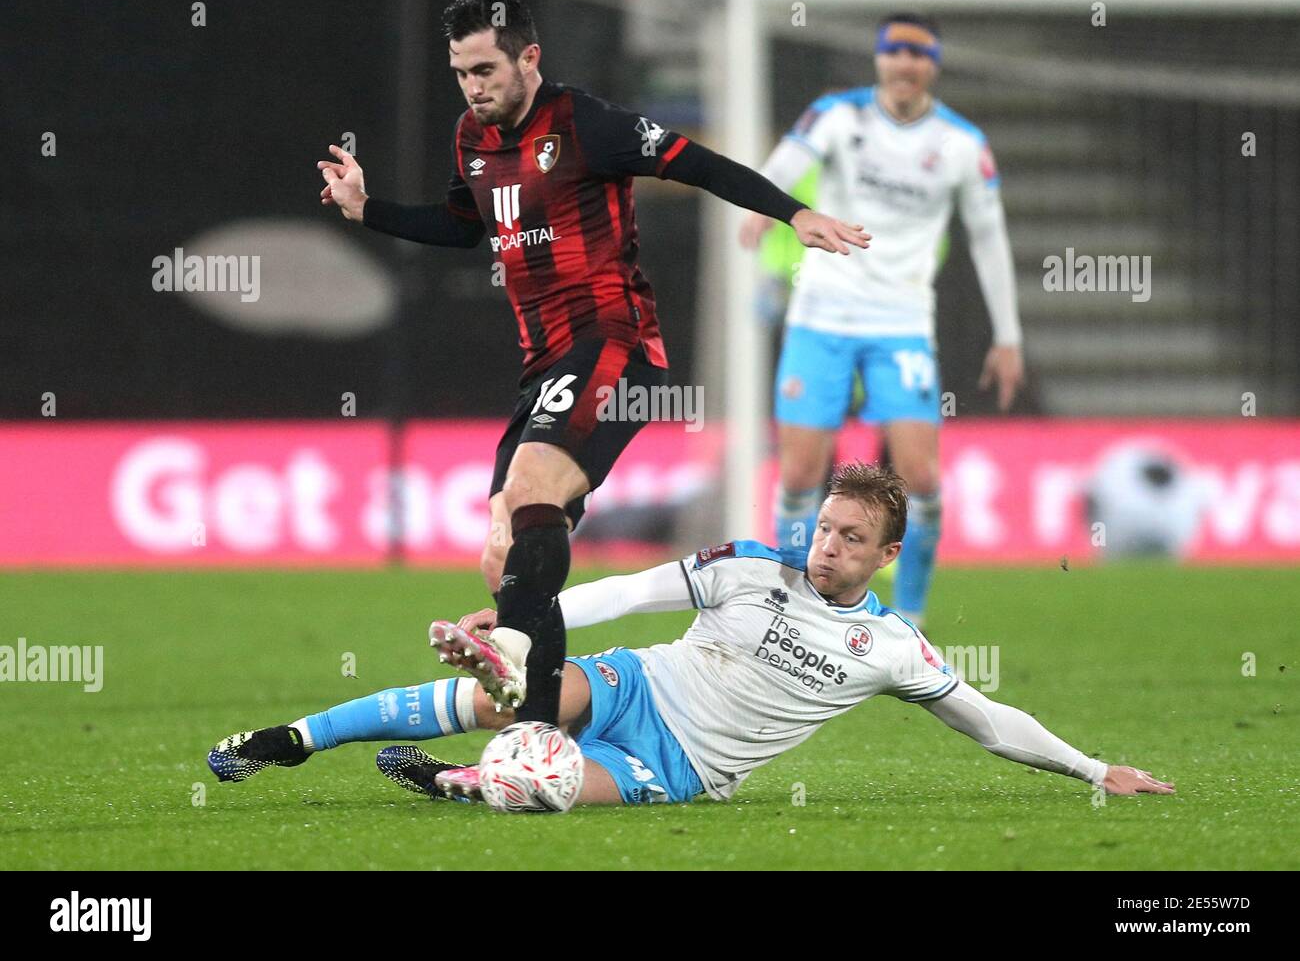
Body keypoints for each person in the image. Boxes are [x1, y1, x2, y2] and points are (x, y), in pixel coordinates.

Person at [317, 0, 869, 727]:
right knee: (503, 553)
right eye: (460, 72)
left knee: (532, 484)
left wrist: (793, 213)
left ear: (529, 58)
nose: (473, 86)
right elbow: (459, 226)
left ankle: (512, 650)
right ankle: (540, 735)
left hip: (614, 341)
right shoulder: (472, 140)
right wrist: (366, 209)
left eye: (485, 68)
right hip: (543, 363)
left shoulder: (589, 125)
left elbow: (696, 163)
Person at [207, 462, 1173, 807]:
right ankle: (289, 740)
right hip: (638, 685)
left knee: (535, 788)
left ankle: (467, 781)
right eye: (826, 526)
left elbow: (988, 721)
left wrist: (1097, 773)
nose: (827, 545)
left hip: (683, 770)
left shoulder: (891, 650)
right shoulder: (752, 564)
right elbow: (627, 593)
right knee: (498, 693)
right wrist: (515, 620)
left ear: (885, 559)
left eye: (851, 539)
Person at [740, 13, 1024, 630]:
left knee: (921, 478)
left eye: (918, 53)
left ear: (934, 65)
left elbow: (989, 238)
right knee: (799, 473)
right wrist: (768, 207)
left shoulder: (960, 143)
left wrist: (1008, 335)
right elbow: (786, 164)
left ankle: (911, 619)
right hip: (821, 315)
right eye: (894, 50)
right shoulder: (839, 116)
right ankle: (786, 604)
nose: (905, 62)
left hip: (901, 325)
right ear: (878, 59)